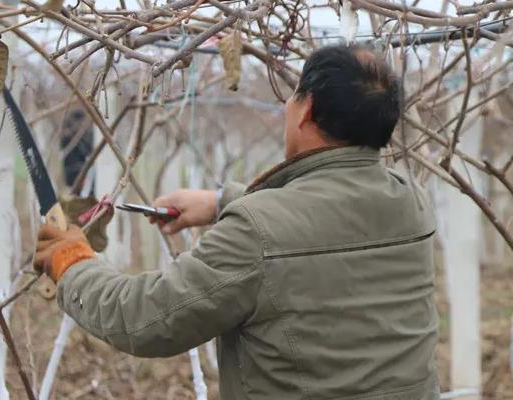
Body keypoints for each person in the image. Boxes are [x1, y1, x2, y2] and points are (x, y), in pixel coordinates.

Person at [35, 44, 440, 400]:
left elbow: (145, 319)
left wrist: (72, 264)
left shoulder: (256, 231)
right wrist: (217, 201)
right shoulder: (411, 201)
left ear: (307, 109)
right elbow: (320, 219)